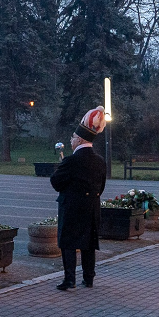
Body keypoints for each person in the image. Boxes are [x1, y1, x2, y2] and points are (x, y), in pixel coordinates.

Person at [50, 106, 108, 290]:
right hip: (92, 206)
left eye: (73, 138)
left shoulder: (71, 160)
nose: (71, 141)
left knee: (68, 242)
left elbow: (56, 183)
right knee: (88, 243)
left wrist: (62, 171)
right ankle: (89, 278)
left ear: (80, 139)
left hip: (72, 207)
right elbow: (102, 186)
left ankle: (69, 280)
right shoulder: (100, 161)